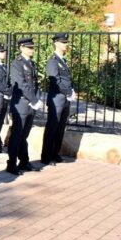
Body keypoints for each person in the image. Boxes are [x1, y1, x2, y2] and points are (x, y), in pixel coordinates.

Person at [7, 37, 43, 175]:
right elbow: (21, 84)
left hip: (30, 105)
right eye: (29, 47)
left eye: (32, 47)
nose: (32, 49)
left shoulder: (31, 63)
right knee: (17, 135)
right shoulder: (17, 63)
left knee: (24, 135)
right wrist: (34, 100)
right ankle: (11, 164)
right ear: (21, 48)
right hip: (21, 103)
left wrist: (36, 98)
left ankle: (24, 161)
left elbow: (35, 84)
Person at [41, 33, 76, 165]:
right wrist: (68, 92)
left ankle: (55, 153)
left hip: (65, 98)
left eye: (66, 42)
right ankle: (46, 156)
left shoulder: (63, 61)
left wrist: (71, 90)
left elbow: (67, 79)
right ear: (56, 43)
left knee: (61, 127)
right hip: (57, 99)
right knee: (52, 127)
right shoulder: (53, 61)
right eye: (63, 42)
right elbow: (54, 80)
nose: (65, 45)